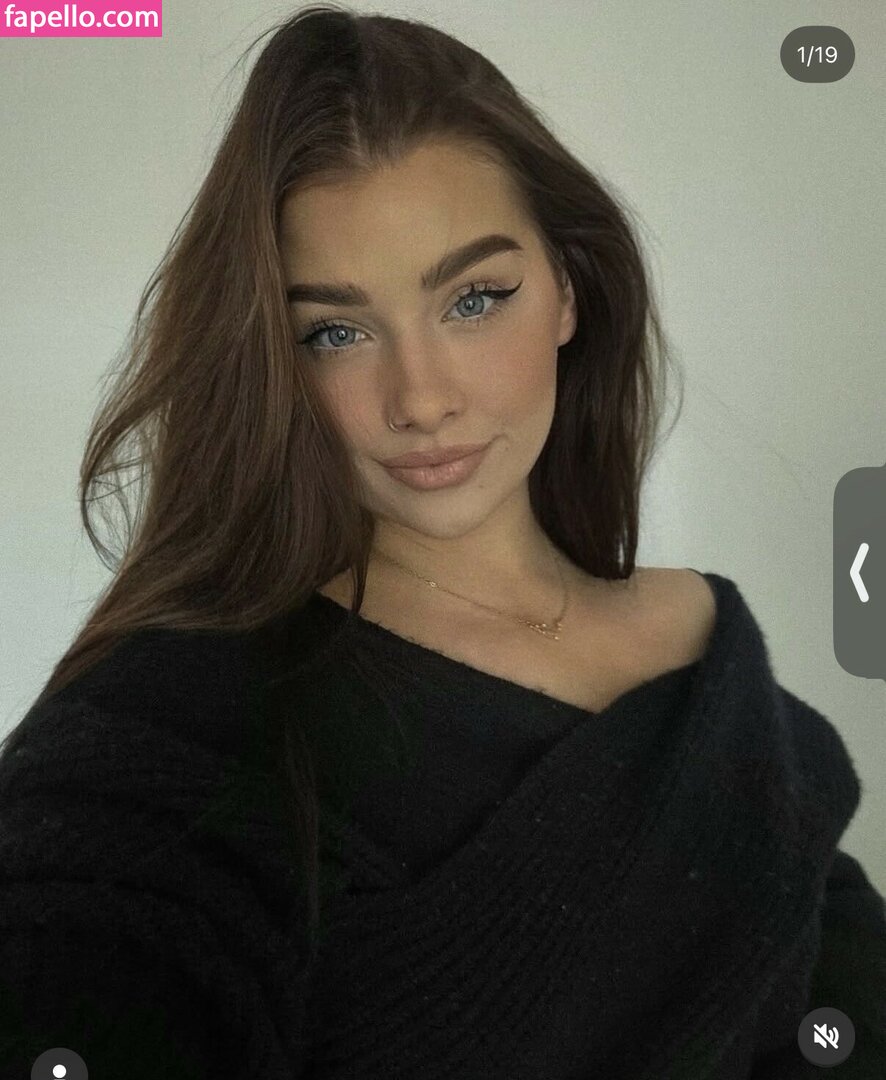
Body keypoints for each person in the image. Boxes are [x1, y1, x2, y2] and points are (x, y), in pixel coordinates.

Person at [1, 5, 883, 1079]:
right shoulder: (173, 720)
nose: (419, 399)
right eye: (336, 331)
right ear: (274, 360)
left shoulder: (716, 666)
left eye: (475, 299)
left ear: (569, 291)